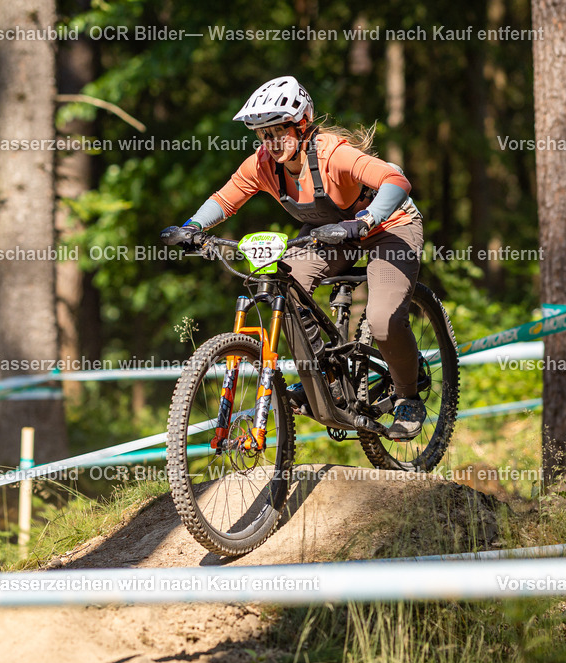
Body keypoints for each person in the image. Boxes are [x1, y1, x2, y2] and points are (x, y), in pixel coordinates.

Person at [172, 76, 426, 438]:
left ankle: (408, 396)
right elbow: (225, 199)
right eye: (262, 133)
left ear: (301, 123)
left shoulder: (331, 152)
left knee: (382, 318)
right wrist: (192, 226)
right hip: (330, 233)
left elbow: (396, 180)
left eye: (278, 131)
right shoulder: (262, 164)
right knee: (282, 284)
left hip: (389, 227)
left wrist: (366, 220)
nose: (270, 142)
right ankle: (328, 376)